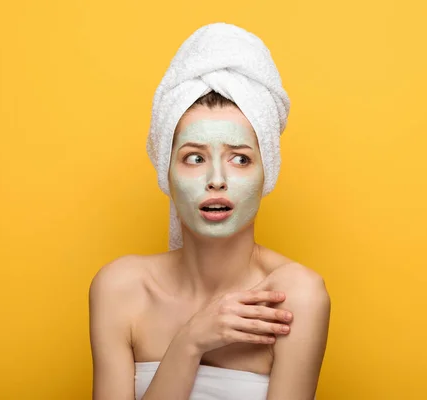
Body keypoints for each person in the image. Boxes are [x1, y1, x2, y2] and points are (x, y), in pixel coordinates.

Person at [89, 23, 330, 400]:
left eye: (240, 158)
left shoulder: (295, 297)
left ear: (267, 172)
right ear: (165, 172)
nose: (216, 179)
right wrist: (191, 341)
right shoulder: (120, 288)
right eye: (195, 157)